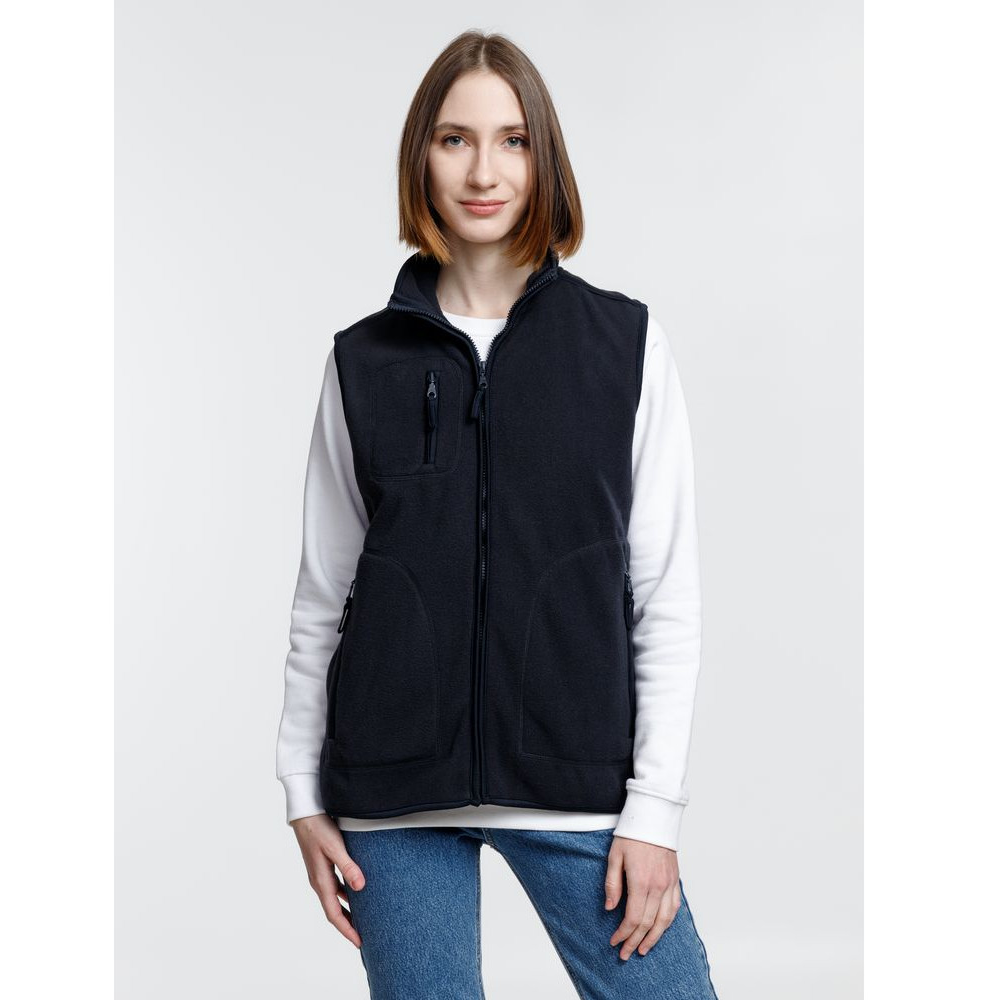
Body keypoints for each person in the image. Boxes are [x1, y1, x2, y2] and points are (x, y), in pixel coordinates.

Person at [276, 30, 720, 1000]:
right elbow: (324, 594)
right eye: (455, 139)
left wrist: (654, 809)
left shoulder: (623, 345)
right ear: (421, 157)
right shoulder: (363, 362)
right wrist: (303, 792)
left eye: (512, 140)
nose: (484, 171)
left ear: (543, 156)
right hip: (392, 795)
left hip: (579, 781)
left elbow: (664, 594)